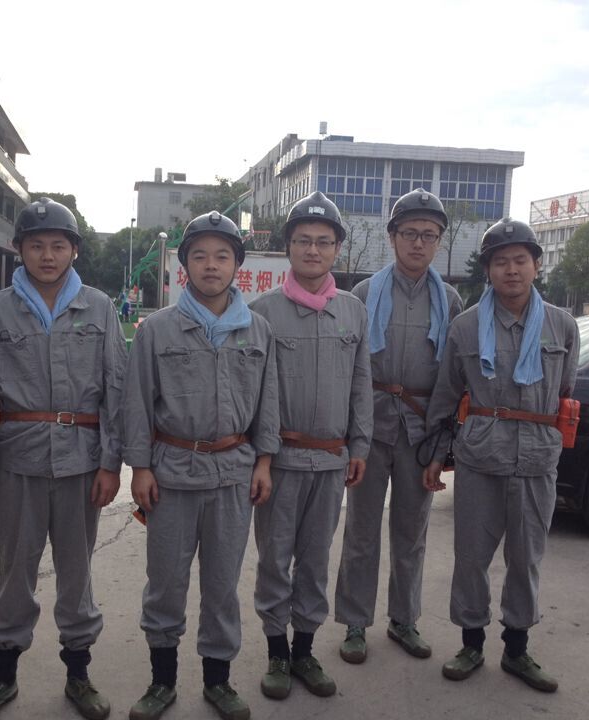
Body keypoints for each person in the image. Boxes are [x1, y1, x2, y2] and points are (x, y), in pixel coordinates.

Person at [0, 198, 126, 720]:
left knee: (77, 573)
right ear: (19, 249)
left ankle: (79, 674)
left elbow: (116, 389)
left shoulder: (99, 308)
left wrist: (111, 464)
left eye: (58, 245)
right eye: (37, 245)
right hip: (17, 464)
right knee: (15, 573)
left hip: (82, 464)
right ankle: (3, 676)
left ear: (74, 251)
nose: (48, 255)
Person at [122, 210, 280, 720]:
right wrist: (140, 468)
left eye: (222, 256)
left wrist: (264, 461)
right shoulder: (157, 330)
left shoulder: (258, 330)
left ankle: (218, 681)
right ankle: (161, 682)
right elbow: (137, 403)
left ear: (237, 265)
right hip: (172, 473)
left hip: (233, 473)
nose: (211, 265)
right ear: (184, 265)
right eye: (200, 256)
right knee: (166, 582)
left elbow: (269, 403)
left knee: (222, 585)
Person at [421, 218, 579, 693]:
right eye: (501, 262)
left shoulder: (562, 325)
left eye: (520, 261)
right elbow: (447, 394)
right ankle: (471, 643)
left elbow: (566, 390)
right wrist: (436, 454)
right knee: (471, 556)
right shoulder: (466, 327)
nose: (511, 270)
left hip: (536, 460)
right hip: (480, 457)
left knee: (526, 558)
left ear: (536, 266)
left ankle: (517, 649)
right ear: (488, 270)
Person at [248, 191, 372, 700]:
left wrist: (360, 445)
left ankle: (304, 651)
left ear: (337, 249)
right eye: (303, 241)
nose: (313, 250)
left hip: (331, 460)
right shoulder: (261, 312)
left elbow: (361, 382)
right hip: (280, 462)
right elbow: (252, 395)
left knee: (316, 560)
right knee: (274, 559)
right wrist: (260, 459)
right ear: (289, 247)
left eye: (323, 242)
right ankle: (277, 652)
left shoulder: (353, 312)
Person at [335, 188, 463, 664]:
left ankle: (404, 619)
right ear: (391, 237)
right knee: (361, 530)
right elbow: (347, 369)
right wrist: (350, 435)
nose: (418, 243)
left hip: (420, 431)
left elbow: (452, 378)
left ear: (439, 242)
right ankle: (355, 621)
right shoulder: (364, 294)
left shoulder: (450, 299)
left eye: (429, 235)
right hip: (370, 427)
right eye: (409, 233)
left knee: (412, 531)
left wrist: (441, 445)